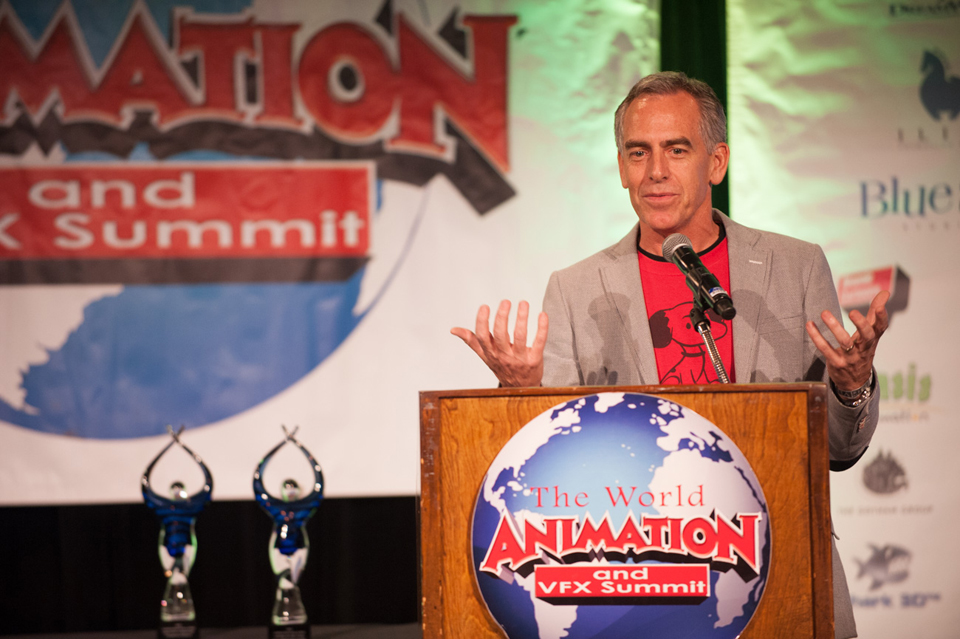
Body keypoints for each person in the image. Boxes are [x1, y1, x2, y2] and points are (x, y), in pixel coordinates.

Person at [451, 71, 888, 639]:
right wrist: (520, 393)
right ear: (621, 167)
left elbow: (838, 450)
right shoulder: (576, 289)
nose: (655, 170)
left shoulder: (795, 268)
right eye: (639, 152)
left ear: (716, 162)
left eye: (677, 150)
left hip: (783, 568)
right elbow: (549, 472)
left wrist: (852, 384)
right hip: (642, 589)